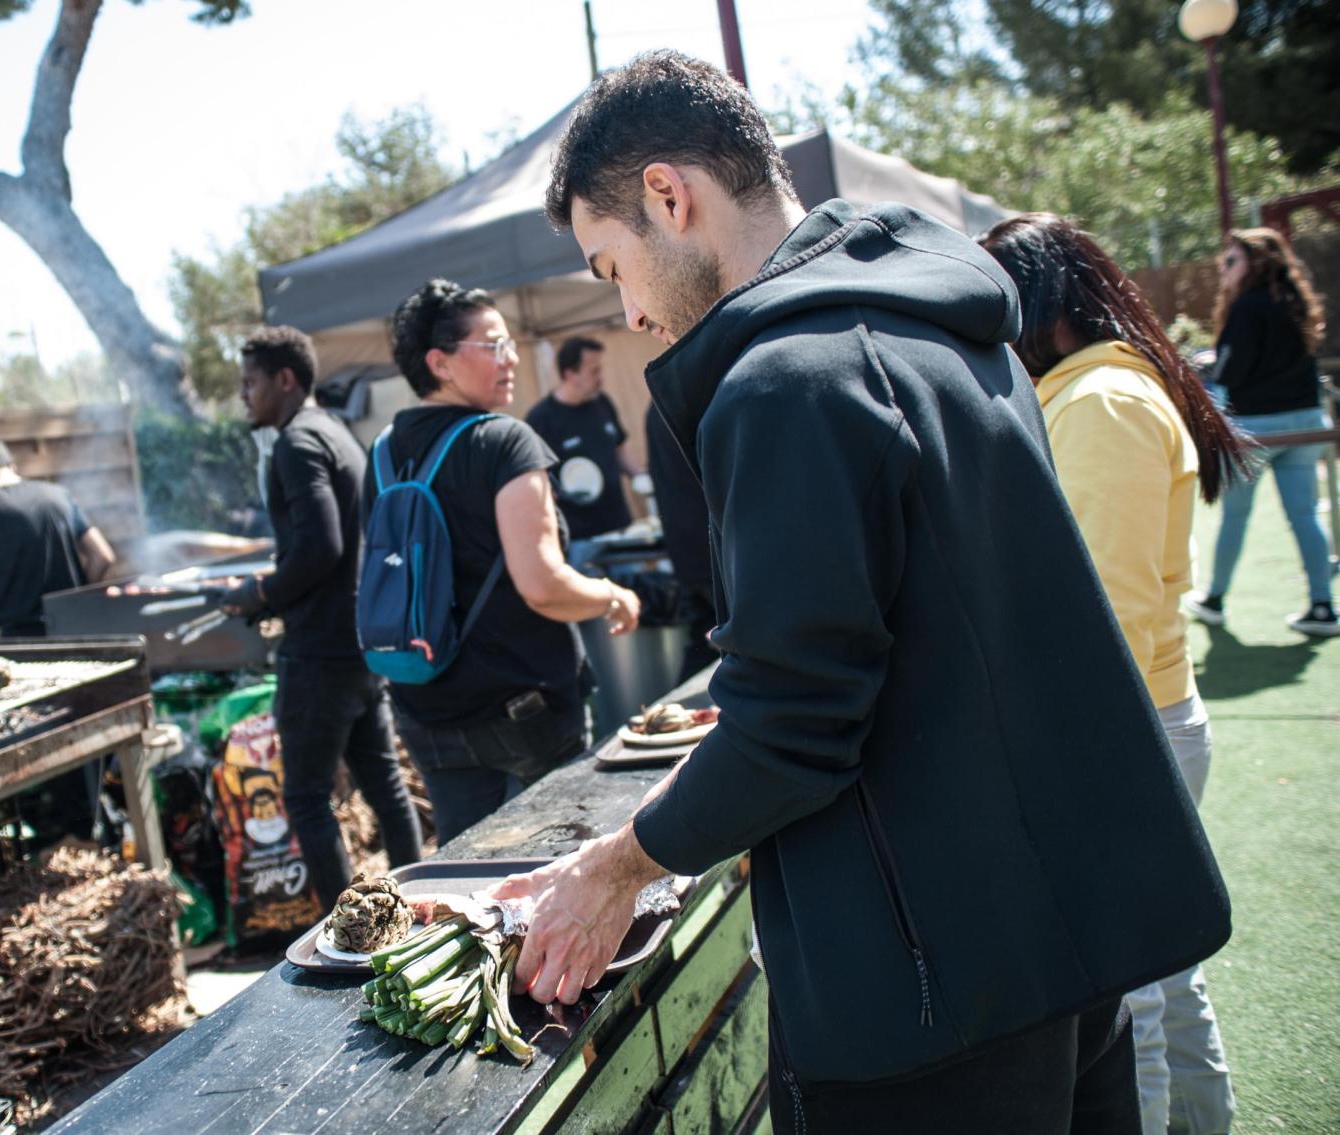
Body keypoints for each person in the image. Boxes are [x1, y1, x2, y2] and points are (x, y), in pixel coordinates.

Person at [490, 51, 1230, 1134]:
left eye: (613, 267)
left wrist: (616, 866)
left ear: (667, 196)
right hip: (1064, 940)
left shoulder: (780, 383)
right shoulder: (951, 330)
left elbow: (794, 725)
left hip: (929, 1003)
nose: (630, 312)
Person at [983, 213, 1246, 1135]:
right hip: (1143, 719)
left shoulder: (1100, 401)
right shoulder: (1100, 388)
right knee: (1163, 977)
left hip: (1123, 730)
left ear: (1040, 304)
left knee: (1130, 999)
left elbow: (1111, 611)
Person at [372, 280, 640, 843]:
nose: (512, 358)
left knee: (467, 874)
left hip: (426, 709)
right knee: (564, 860)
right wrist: (612, 595)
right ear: (439, 363)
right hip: (524, 710)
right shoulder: (505, 442)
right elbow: (542, 585)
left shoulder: (382, 453)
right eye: (494, 345)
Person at [217, 326, 422, 906]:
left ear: (286, 379)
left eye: (251, 382)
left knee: (307, 798)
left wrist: (259, 592)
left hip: (319, 651)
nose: (244, 394)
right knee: (385, 786)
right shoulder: (335, 431)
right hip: (358, 640)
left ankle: (348, 931)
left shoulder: (297, 442)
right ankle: (420, 902)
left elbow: (321, 545)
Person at [1186, 227, 1336, 637]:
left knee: (1235, 516)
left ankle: (1214, 599)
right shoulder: (1295, 303)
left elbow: (1231, 370)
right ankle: (1323, 605)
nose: (1223, 268)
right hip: (1306, 423)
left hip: (1256, 428)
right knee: (1305, 515)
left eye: (1230, 260)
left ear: (1254, 263)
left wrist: (1211, 364)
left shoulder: (1247, 308)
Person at [0, 435, 115, 640]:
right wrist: (74, 600)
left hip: (23, 642)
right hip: (77, 631)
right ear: (11, 466)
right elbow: (102, 556)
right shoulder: (59, 495)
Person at [524, 337, 646, 563]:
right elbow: (536, 479)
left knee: (635, 584)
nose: (601, 378)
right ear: (571, 374)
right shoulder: (541, 418)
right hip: (579, 538)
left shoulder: (602, 402)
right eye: (594, 371)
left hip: (619, 527)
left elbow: (619, 448)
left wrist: (642, 476)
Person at [643, 402, 716, 679]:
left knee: (702, 637)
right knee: (726, 636)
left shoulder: (660, 403)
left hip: (686, 544)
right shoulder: (694, 401)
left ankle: (678, 702)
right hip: (708, 546)